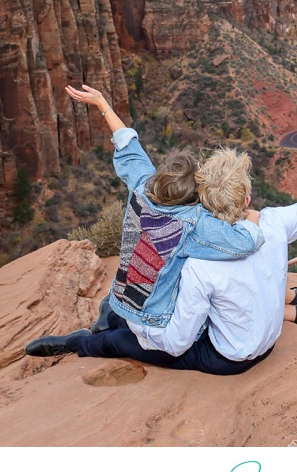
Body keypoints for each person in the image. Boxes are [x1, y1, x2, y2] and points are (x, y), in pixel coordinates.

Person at [26, 140, 297, 376]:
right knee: (144, 310)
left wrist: (141, 332)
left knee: (122, 339)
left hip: (230, 358)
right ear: (247, 199)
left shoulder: (199, 264)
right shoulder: (274, 224)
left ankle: (85, 343)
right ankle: (110, 317)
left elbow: (178, 342)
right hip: (266, 339)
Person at [60, 84, 262, 331]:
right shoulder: (193, 223)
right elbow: (244, 242)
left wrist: (103, 105)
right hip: (151, 316)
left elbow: (128, 146)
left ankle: (107, 316)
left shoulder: (143, 188)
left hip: (120, 297)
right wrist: (252, 214)